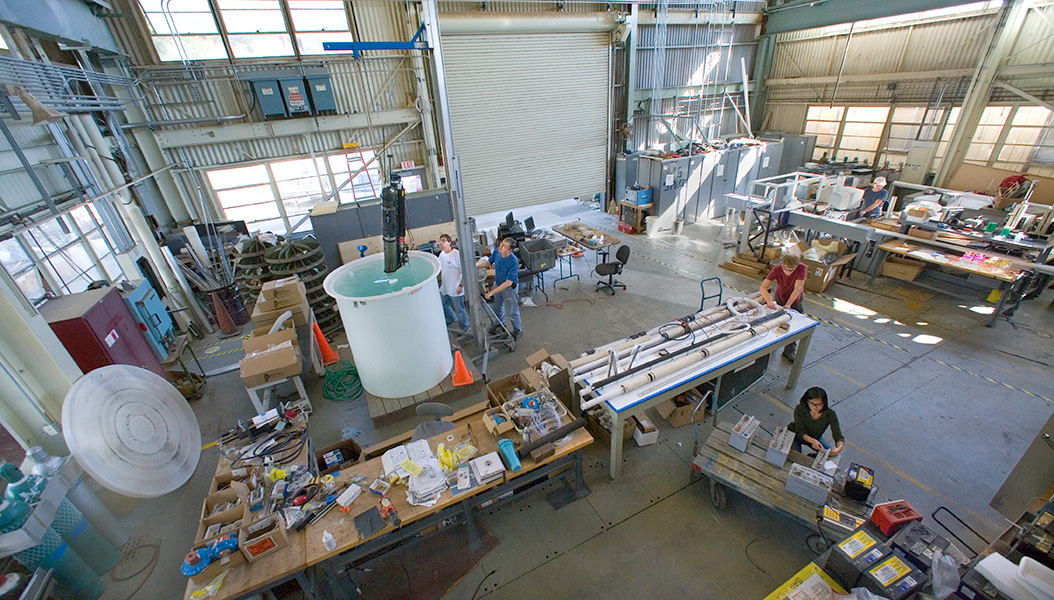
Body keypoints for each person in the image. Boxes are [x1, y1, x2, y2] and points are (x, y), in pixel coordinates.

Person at [760, 252, 806, 362]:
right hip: (780, 297)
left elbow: (797, 289)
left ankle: (789, 350)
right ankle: (772, 345)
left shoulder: (802, 268)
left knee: (793, 325)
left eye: (791, 270)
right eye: (786, 269)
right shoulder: (777, 269)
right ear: (782, 265)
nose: (789, 273)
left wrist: (788, 305)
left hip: (795, 300)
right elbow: (763, 287)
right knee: (775, 323)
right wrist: (770, 301)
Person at [477, 237, 521, 340]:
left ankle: (517, 331)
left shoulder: (513, 262)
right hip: (498, 283)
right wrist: (476, 266)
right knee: (497, 307)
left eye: (504, 246)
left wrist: (491, 292)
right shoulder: (497, 251)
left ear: (510, 250)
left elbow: (508, 283)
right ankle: (500, 325)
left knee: (512, 311)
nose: (500, 247)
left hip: (509, 288)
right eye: (501, 244)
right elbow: (489, 263)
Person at [787, 387, 845, 456]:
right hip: (795, 435)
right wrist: (813, 441)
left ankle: (812, 457)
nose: (814, 407)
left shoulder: (830, 414)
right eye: (812, 403)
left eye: (819, 404)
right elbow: (799, 432)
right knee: (797, 457)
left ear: (824, 403)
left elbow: (838, 435)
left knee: (831, 455)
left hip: (815, 437)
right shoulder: (800, 409)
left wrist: (839, 447)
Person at [437, 233, 470, 332]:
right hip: (445, 287)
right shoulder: (441, 254)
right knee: (443, 305)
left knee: (460, 310)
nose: (440, 243)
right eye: (440, 241)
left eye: (443, 240)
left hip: (456, 288)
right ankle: (452, 318)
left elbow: (465, 271)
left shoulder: (456, 255)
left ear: (449, 242)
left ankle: (466, 328)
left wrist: (461, 285)